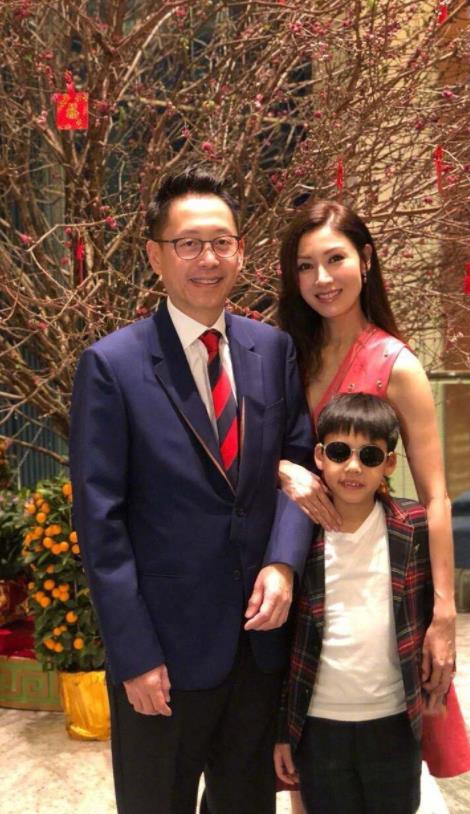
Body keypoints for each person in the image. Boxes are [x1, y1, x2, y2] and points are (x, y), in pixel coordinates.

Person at [69, 166, 315, 814]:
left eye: (221, 242)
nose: (208, 259)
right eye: (188, 244)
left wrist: (284, 563)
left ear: (240, 251)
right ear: (156, 256)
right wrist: (133, 655)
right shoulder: (112, 366)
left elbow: (296, 463)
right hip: (165, 655)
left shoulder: (272, 351)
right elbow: (100, 523)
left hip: (258, 647)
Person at [276, 200, 470, 811]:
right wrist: (284, 470)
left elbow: (436, 495)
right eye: (305, 266)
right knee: (307, 768)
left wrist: (444, 614)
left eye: (334, 259)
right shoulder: (285, 354)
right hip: (297, 578)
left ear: (365, 260)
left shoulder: (396, 364)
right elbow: (254, 456)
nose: (321, 278)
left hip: (373, 581)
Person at [274, 393, 431, 813]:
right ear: (319, 456)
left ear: (389, 463)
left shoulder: (412, 525)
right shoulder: (298, 532)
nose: (354, 467)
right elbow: (285, 641)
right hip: (318, 724)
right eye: (340, 452)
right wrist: (283, 731)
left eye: (370, 455)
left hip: (394, 721)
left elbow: (427, 613)